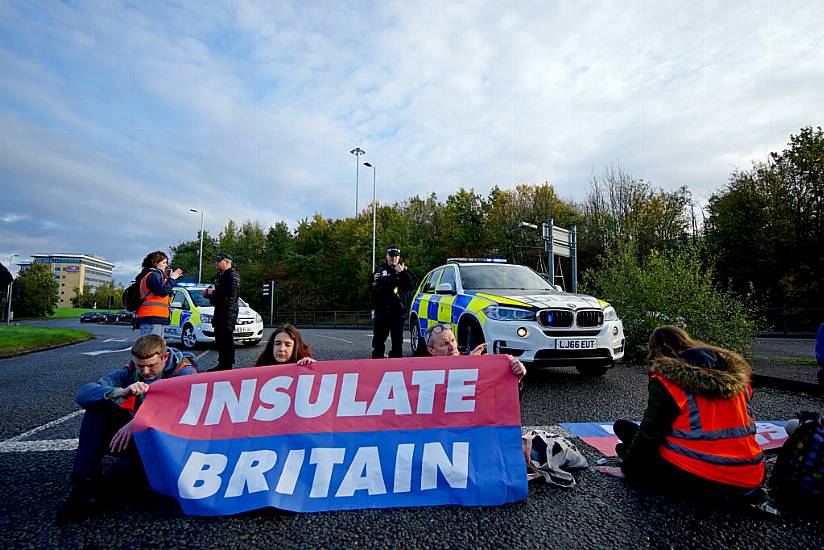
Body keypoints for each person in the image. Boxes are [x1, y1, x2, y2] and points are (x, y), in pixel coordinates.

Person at [606, 325, 764, 500]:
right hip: (750, 473)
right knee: (624, 429)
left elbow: (650, 434)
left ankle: (638, 465)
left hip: (702, 474)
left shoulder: (668, 382)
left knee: (628, 442)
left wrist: (627, 470)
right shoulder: (738, 382)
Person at [56, 335, 198, 523]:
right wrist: (120, 392)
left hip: (169, 443)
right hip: (142, 435)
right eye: (140, 366)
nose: (145, 372)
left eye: (151, 366)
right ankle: (85, 481)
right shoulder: (132, 371)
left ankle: (118, 481)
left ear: (164, 358)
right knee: (97, 408)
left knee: (123, 481)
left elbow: (176, 410)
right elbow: (84, 393)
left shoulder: (185, 373)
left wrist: (135, 423)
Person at [424, 322, 526, 391]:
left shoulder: (479, 360)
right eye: (444, 344)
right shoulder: (423, 373)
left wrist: (516, 378)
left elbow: (502, 397)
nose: (452, 347)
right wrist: (468, 364)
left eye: (453, 340)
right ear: (431, 350)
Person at [370, 245, 414, 359]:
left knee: (397, 339)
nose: (393, 258)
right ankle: (377, 360)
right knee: (378, 338)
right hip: (381, 309)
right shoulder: (380, 269)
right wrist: (373, 281)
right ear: (386, 256)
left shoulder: (405, 270)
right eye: (390, 256)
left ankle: (396, 361)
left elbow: (411, 285)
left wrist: (402, 273)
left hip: (397, 310)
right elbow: (371, 286)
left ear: (399, 257)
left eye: (395, 256)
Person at [203, 252, 240, 371]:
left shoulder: (232, 275)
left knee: (226, 338)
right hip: (219, 310)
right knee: (219, 338)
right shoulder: (219, 276)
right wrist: (207, 293)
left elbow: (231, 294)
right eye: (216, 261)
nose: (216, 263)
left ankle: (227, 365)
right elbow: (214, 290)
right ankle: (222, 363)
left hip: (228, 311)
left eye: (219, 261)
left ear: (227, 262)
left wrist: (213, 292)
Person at [134, 251, 183, 336]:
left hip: (154, 316)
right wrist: (172, 279)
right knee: (152, 346)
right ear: (155, 262)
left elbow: (164, 292)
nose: (166, 265)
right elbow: (162, 292)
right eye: (164, 262)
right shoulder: (153, 275)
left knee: (155, 346)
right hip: (152, 316)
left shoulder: (155, 275)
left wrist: (169, 281)